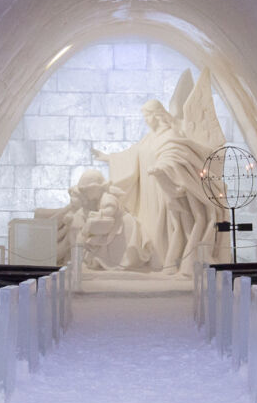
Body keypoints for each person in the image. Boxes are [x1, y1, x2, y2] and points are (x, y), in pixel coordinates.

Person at [92, 99, 217, 275]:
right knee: (149, 225)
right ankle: (153, 259)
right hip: (146, 191)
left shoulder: (170, 135)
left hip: (162, 188)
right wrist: (108, 158)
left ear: (156, 115)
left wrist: (162, 168)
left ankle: (167, 261)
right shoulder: (149, 138)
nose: (145, 120)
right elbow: (132, 154)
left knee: (162, 226)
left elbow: (174, 155)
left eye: (146, 116)